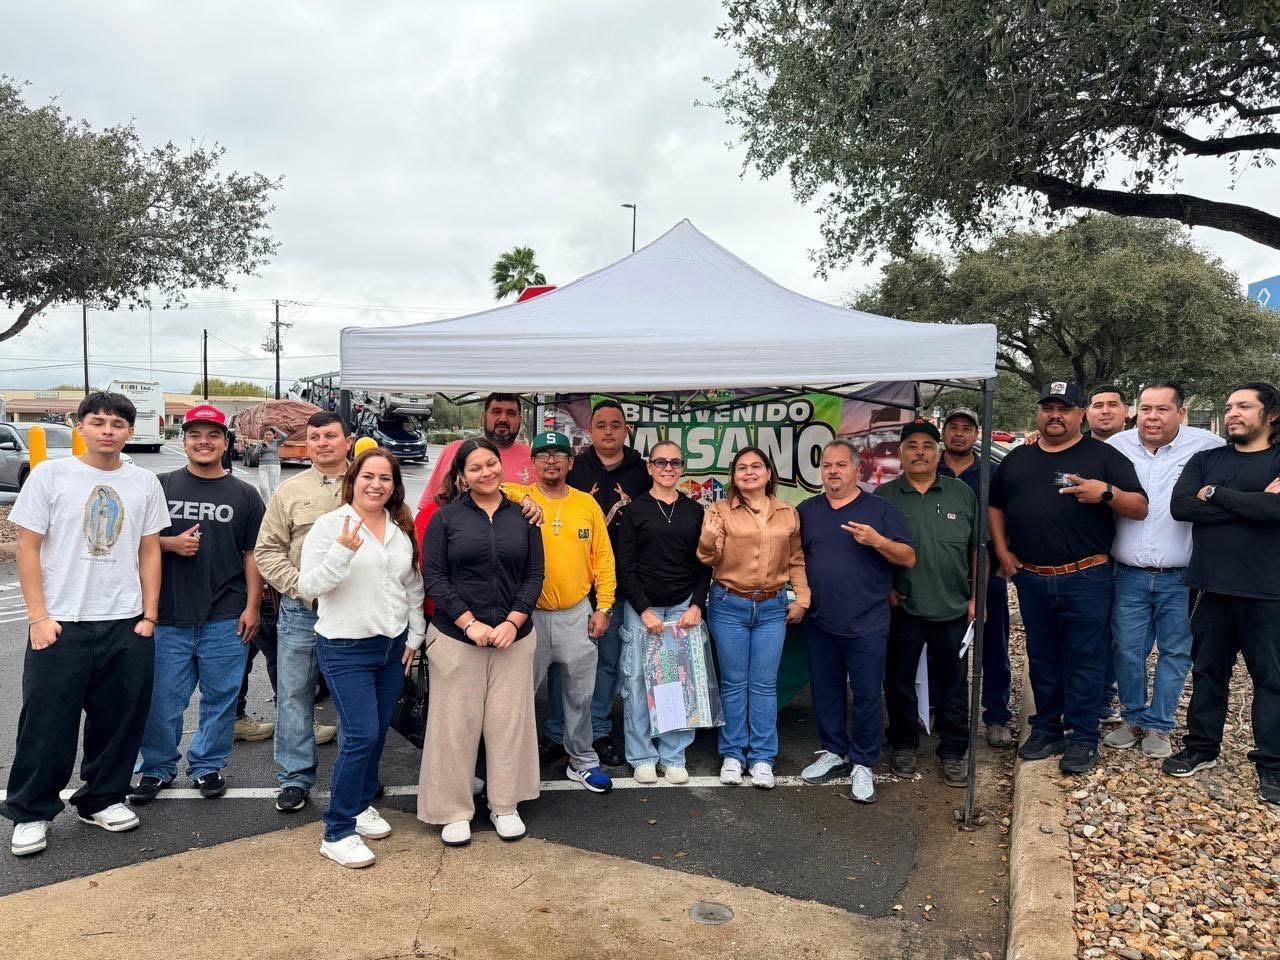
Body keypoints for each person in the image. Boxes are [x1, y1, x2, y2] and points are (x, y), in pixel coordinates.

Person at [3, 391, 168, 857]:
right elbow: (27, 548)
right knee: (47, 723)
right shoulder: (52, 475)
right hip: (61, 623)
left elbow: (149, 549)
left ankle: (102, 798)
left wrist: (149, 614)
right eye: (98, 422)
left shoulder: (144, 483)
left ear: (130, 432)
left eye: (118, 424)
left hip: (125, 621)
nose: (108, 430)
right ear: (81, 426)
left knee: (118, 721)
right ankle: (32, 811)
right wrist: (39, 616)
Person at [990, 381, 1148, 775]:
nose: (1055, 415)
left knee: (1086, 659)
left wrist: (1106, 492)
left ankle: (1082, 736)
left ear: (1080, 414)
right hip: (1032, 577)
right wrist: (1003, 551)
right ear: (1039, 413)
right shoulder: (1017, 459)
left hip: (1087, 576)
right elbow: (995, 505)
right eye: (1048, 408)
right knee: (1042, 657)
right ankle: (1046, 729)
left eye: (1064, 408)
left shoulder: (1102, 457)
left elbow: (1139, 506)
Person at [129, 404, 265, 805]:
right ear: (183, 441)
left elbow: (251, 555)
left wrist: (253, 606)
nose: (203, 442)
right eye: (194, 435)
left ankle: (207, 766)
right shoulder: (160, 485)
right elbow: (135, 541)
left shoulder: (245, 494)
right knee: (162, 700)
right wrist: (170, 544)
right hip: (166, 615)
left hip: (225, 614)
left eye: (212, 435)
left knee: (220, 699)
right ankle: (156, 768)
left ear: (226, 442)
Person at [299, 447, 424, 868]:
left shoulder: (397, 528)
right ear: (353, 480)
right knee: (360, 735)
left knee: (377, 733)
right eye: (369, 476)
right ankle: (336, 829)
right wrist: (342, 552)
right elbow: (308, 586)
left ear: (394, 486)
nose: (376, 485)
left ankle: (359, 802)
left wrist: (415, 635)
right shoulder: (330, 526)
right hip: (345, 646)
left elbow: (411, 587)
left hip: (391, 646)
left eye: (385, 479)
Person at [417, 439, 544, 845]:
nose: (486, 472)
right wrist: (469, 623)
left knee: (509, 724)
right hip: (457, 637)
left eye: (492, 463)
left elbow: (534, 574)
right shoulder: (445, 519)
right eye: (475, 468)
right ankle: (454, 810)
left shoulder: (524, 516)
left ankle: (505, 804)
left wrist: (514, 620)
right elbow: (434, 577)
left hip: (513, 636)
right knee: (455, 726)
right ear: (461, 476)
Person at [1165, 382, 1280, 804]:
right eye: (1229, 406)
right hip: (1210, 587)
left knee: (1271, 679)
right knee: (1208, 672)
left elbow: (1277, 511)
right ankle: (1201, 748)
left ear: (1271, 415)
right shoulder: (1206, 458)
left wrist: (1215, 494)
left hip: (1268, 590)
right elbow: (1181, 507)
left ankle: (1272, 763)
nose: (1233, 413)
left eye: (1244, 406)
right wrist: (1253, 506)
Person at [1103, 382, 1223, 759]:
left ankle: (1160, 724)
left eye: (1162, 409)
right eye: (1146, 409)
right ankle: (1133, 718)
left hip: (1180, 576)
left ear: (1181, 413)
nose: (1152, 417)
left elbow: (1251, 455)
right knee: (1128, 650)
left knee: (1175, 652)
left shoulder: (1207, 447)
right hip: (1129, 573)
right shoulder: (1116, 447)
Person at [798, 439, 914, 803]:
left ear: (856, 469)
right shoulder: (807, 510)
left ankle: (863, 763)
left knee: (865, 695)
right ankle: (833, 750)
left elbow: (908, 557)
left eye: (840, 465)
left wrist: (878, 540)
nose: (833, 471)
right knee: (825, 690)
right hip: (820, 621)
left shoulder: (879, 510)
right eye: (827, 465)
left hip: (867, 622)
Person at [506, 431, 617, 793]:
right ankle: (514, 767)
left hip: (575, 613)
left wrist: (604, 607)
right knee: (519, 694)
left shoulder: (586, 504)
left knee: (580, 694)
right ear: (532, 463)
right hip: (528, 616)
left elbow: (603, 558)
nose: (551, 460)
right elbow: (493, 486)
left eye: (559, 454)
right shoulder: (518, 501)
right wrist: (521, 494)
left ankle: (582, 760)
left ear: (571, 462)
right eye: (543, 455)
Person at [254, 411, 351, 813]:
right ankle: (294, 778)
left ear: (348, 440)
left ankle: (358, 773)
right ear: (307, 444)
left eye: (331, 435)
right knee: (295, 695)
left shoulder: (369, 484)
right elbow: (267, 551)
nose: (323, 443)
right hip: (301, 612)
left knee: (353, 697)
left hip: (354, 611)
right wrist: (301, 588)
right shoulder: (290, 492)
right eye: (315, 438)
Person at [698, 447, 810, 790]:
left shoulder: (787, 512)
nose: (749, 472)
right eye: (742, 468)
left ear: (768, 472)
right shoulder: (718, 511)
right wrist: (706, 540)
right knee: (734, 683)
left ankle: (762, 758)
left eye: (756, 466)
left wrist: (803, 597)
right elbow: (707, 558)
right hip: (729, 603)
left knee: (763, 685)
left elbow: (796, 560)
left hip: (772, 607)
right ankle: (732, 754)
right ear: (733, 476)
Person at [877, 421, 978, 788]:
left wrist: (974, 597)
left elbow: (975, 549)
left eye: (927, 446)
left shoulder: (962, 494)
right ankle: (903, 744)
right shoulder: (884, 497)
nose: (920, 451)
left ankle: (953, 751)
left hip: (952, 607)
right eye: (912, 446)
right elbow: (874, 552)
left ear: (938, 453)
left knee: (953, 684)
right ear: (900, 454)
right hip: (903, 607)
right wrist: (885, 589)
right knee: (899, 682)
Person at [615, 440, 711, 783]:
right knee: (639, 682)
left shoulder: (695, 511)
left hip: (683, 606)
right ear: (649, 467)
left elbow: (705, 563)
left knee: (676, 681)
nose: (668, 468)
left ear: (682, 468)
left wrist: (697, 604)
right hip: (644, 609)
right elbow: (624, 566)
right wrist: (643, 609)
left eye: (675, 462)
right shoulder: (635, 511)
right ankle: (641, 755)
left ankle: (673, 754)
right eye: (661, 462)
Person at [562, 399, 650, 768]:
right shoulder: (575, 468)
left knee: (607, 662)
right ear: (590, 431)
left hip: (619, 584)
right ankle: (558, 733)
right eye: (601, 425)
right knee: (564, 664)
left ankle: (598, 729)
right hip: (575, 582)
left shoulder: (642, 471)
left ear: (626, 429)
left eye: (617, 424)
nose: (609, 431)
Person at [939, 407, 1014, 747]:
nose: (959, 433)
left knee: (993, 648)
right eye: (952, 427)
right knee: (946, 651)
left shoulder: (993, 472)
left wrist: (1002, 561)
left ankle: (996, 716)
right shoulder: (929, 469)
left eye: (966, 428)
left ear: (977, 434)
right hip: (942, 576)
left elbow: (1010, 516)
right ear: (943, 432)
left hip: (987, 572)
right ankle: (945, 716)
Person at [416, 393, 533, 510]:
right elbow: (429, 507)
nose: (503, 419)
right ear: (484, 417)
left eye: (511, 413)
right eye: (496, 412)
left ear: (520, 420)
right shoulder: (454, 450)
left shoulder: (534, 459)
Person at [234, 581, 278, 742]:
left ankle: (234, 717)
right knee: (281, 657)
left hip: (241, 592)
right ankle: (293, 722)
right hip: (262, 593)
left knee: (241, 656)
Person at [257, 426, 283, 503]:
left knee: (273, 488)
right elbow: (254, 454)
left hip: (274, 466)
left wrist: (275, 429)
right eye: (266, 434)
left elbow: (285, 436)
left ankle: (273, 505)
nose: (268, 436)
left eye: (270, 434)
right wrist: (260, 448)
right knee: (263, 487)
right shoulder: (261, 443)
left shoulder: (277, 442)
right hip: (262, 467)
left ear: (274, 435)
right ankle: (267, 504)